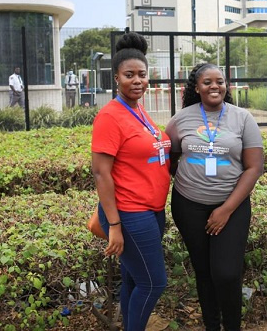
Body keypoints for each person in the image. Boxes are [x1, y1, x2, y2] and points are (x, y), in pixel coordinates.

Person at [165, 63, 264, 331]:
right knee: (204, 272)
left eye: (219, 81)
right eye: (207, 82)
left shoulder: (243, 118)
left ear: (226, 86)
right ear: (196, 87)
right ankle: (212, 327)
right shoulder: (180, 119)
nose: (214, 86)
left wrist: (226, 209)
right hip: (188, 206)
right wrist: (194, 181)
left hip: (232, 207)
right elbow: (171, 160)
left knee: (227, 273)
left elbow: (254, 167)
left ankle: (232, 327)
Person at [91, 31, 171, 331]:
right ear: (116, 78)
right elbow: (101, 172)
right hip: (129, 213)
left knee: (135, 279)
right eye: (129, 75)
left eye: (142, 74)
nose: (137, 81)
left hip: (151, 211)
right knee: (153, 284)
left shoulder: (138, 110)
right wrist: (114, 225)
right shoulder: (110, 116)